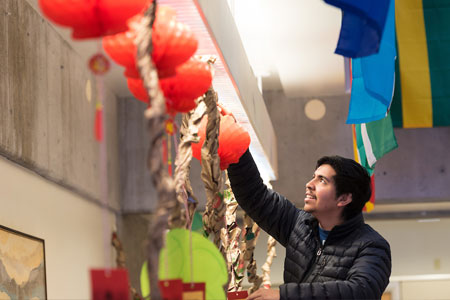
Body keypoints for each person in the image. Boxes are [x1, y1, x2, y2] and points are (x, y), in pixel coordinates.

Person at [227, 150, 391, 300]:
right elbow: (255, 196)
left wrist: (284, 296)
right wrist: (237, 148)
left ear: (344, 198)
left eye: (322, 180)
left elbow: (360, 291)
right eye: (314, 176)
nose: (309, 184)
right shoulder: (300, 225)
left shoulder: (372, 246)